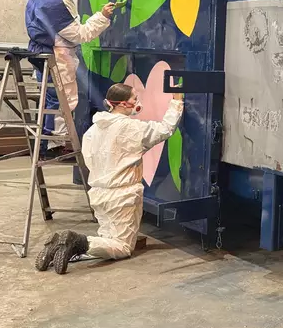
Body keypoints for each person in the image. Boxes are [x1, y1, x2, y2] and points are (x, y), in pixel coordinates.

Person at [35, 82, 184, 274]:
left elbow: (90, 161)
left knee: (107, 240)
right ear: (122, 103)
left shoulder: (92, 131)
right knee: (122, 247)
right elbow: (165, 129)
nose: (137, 102)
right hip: (123, 196)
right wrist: (176, 101)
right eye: (134, 99)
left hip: (98, 194)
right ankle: (76, 241)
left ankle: (57, 246)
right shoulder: (133, 128)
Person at [24, 0, 115, 154]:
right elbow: (80, 35)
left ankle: (47, 143)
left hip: (44, 49)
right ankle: (54, 143)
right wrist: (102, 17)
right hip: (56, 53)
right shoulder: (55, 5)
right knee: (62, 99)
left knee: (52, 98)